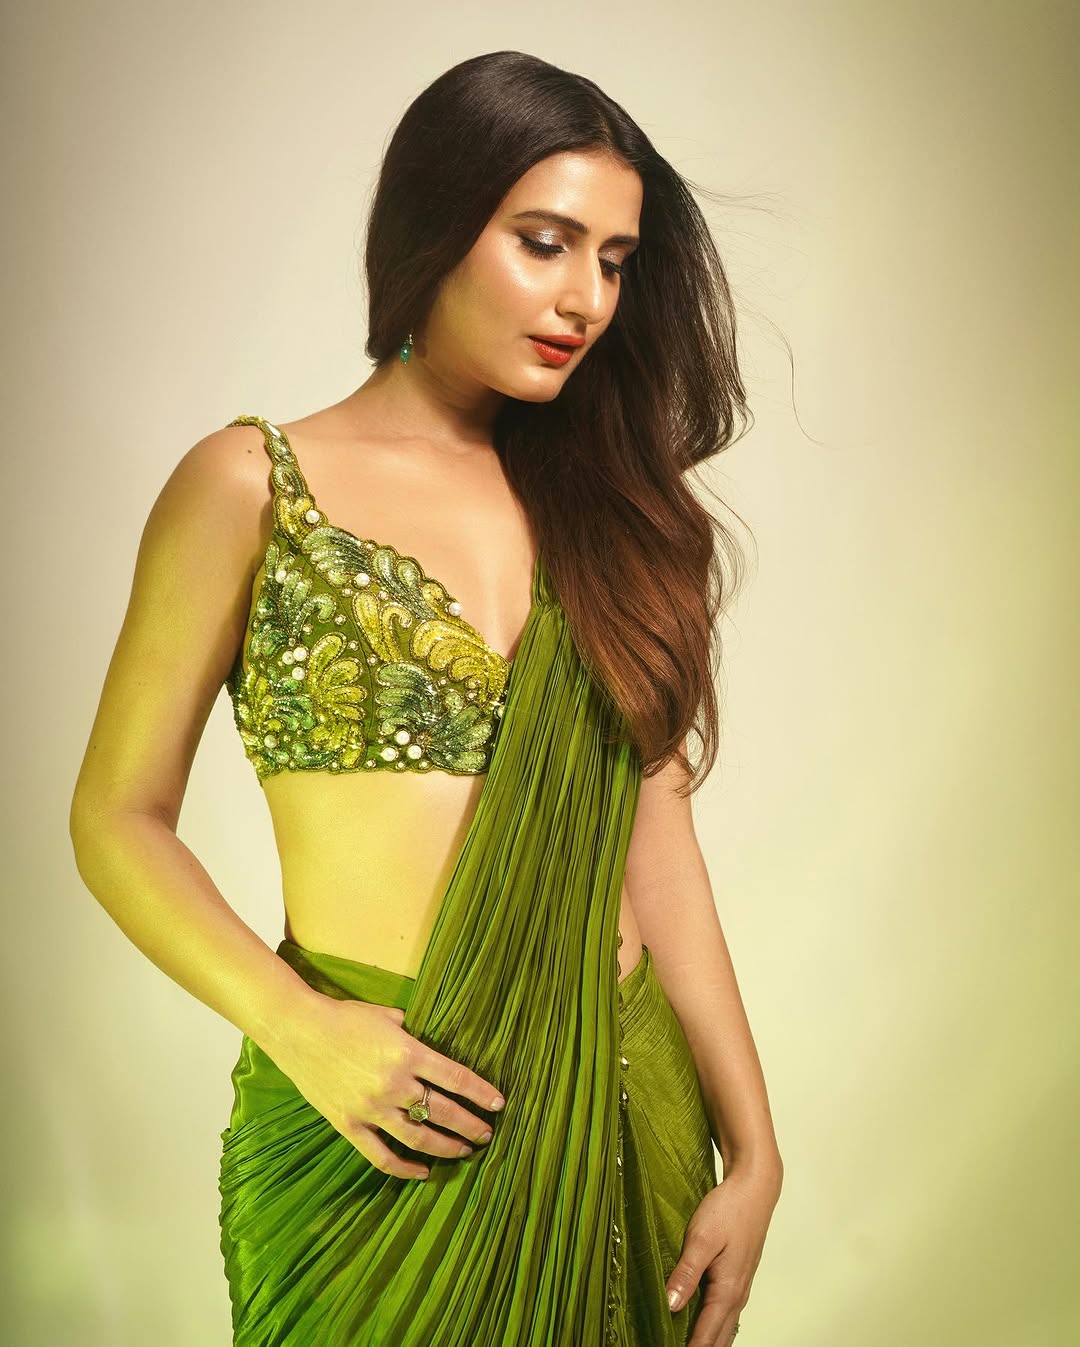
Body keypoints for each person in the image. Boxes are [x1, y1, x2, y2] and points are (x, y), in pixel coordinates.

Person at [69, 49, 783, 1347]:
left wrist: (757, 1147)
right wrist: (299, 1029)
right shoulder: (249, 487)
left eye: (615, 261)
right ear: (437, 228)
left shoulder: (616, 517)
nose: (585, 297)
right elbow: (116, 820)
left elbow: (657, 838)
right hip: (371, 1117)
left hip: (625, 1099)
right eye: (544, 243)